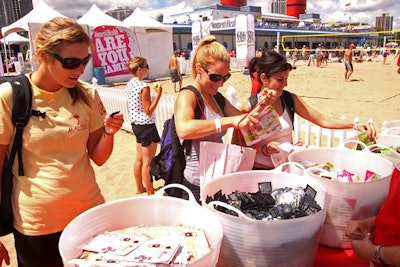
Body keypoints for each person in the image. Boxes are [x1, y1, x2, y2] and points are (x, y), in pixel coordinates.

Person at [0, 17, 124, 266]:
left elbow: (98, 158)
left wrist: (109, 133)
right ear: (44, 55)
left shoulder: (87, 94)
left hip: (89, 216)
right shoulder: (11, 96)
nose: (80, 70)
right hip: (38, 225)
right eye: (71, 62)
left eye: (84, 61)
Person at [240, 50, 376, 170]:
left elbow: (321, 119)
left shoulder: (289, 99)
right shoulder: (249, 106)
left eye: (286, 79)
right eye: (280, 79)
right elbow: (240, 146)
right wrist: (264, 148)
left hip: (287, 168)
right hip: (261, 170)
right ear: (264, 78)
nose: (285, 84)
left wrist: (354, 125)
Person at [174, 35, 262, 202]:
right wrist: (228, 122)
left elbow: (242, 118)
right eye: (215, 77)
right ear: (199, 69)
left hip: (217, 179)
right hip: (195, 184)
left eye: (225, 77)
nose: (221, 83)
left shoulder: (217, 98)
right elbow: (184, 129)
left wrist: (264, 99)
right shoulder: (188, 95)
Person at [125, 57, 162, 195]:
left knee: (139, 159)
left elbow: (129, 106)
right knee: (148, 162)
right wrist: (159, 95)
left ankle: (140, 187)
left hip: (136, 125)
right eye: (147, 66)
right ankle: (150, 192)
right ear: (140, 69)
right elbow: (149, 110)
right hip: (146, 126)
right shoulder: (143, 87)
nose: (148, 68)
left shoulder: (129, 85)